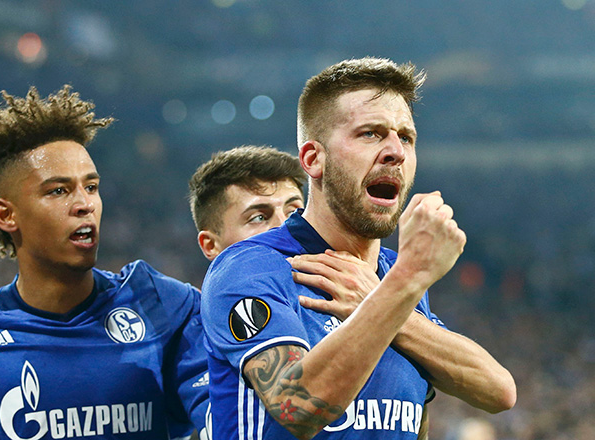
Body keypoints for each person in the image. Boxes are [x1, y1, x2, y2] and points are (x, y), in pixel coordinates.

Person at [199, 56, 516, 440]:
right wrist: (400, 286)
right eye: (370, 134)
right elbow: (297, 408)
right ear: (314, 159)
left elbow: (498, 392)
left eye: (406, 137)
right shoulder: (252, 267)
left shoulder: (394, 277)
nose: (396, 151)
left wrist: (383, 298)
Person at [0, 86, 210, 440]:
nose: (85, 204)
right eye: (58, 190)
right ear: (6, 215)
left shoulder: (161, 303)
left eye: (91, 187)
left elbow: (234, 409)